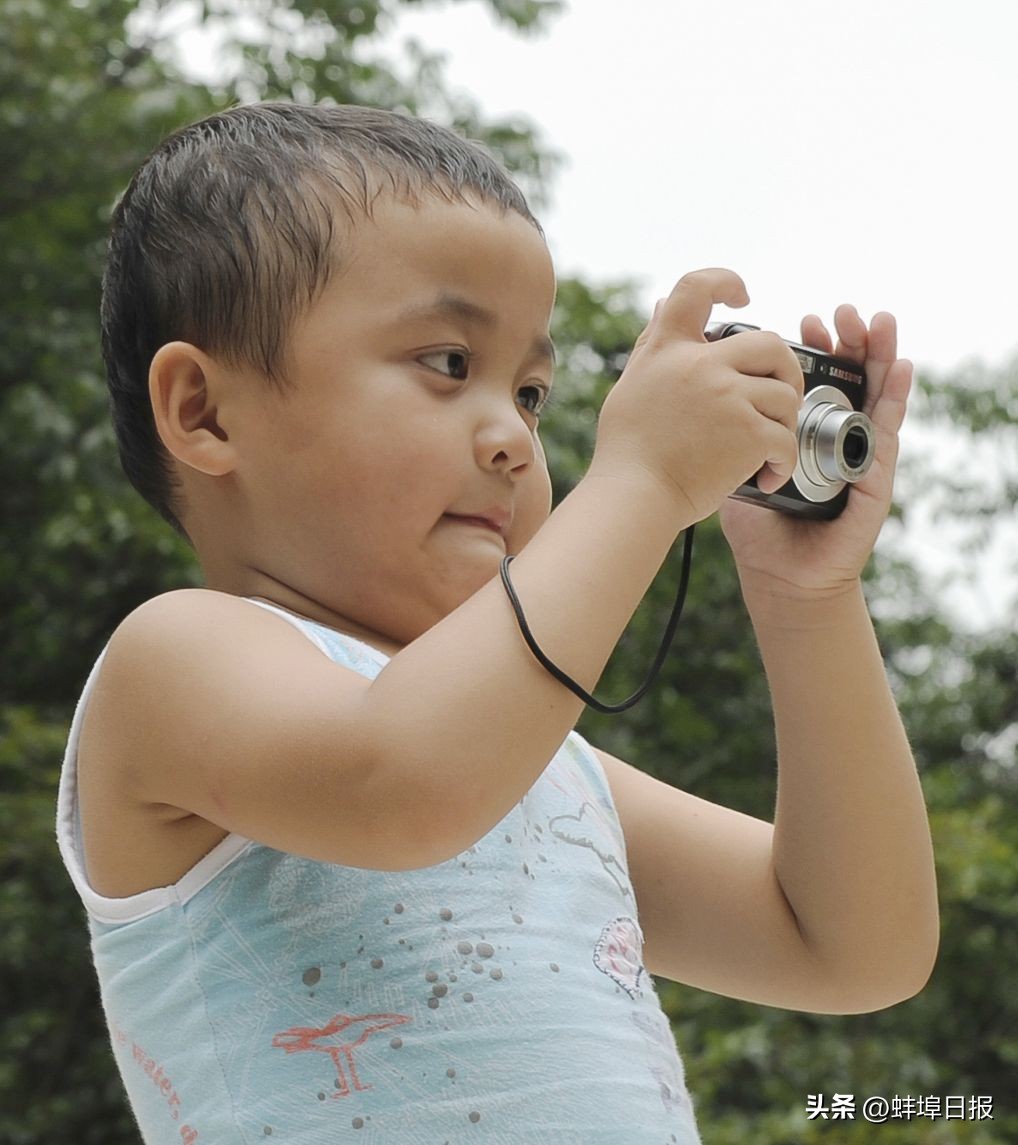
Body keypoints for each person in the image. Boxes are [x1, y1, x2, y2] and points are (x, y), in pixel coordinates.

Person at [56, 101, 938, 1144]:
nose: (515, 439)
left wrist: (808, 601)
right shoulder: (179, 654)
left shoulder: (546, 773)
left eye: (530, 392)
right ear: (204, 411)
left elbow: (852, 944)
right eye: (446, 364)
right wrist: (646, 478)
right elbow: (406, 786)